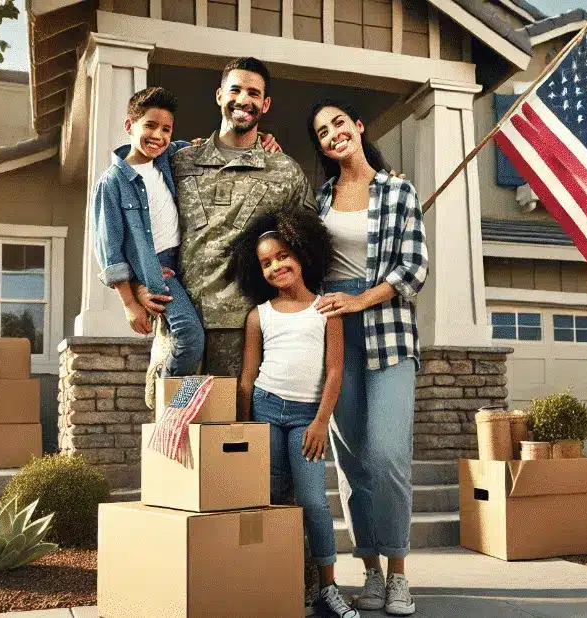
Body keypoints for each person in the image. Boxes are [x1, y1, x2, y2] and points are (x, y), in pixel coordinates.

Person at [307, 99, 428, 616]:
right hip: (334, 336)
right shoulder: (320, 200)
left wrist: (360, 297)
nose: (332, 134)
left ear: (357, 127)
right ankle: (371, 570)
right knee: (353, 462)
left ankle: (400, 572)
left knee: (387, 454)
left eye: (339, 123)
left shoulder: (399, 190)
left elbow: (414, 270)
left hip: (390, 334)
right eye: (321, 131)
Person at [137, 56, 319, 378]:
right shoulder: (179, 161)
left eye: (254, 93)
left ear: (265, 105)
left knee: (233, 426)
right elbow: (134, 220)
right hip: (179, 322)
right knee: (171, 425)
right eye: (235, 90)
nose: (244, 100)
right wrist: (135, 288)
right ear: (220, 95)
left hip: (243, 333)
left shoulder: (285, 171)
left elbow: (312, 244)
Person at [227, 209, 356, 618]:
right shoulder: (258, 316)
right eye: (266, 263)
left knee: (315, 503)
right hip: (266, 410)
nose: (276, 266)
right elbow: (248, 376)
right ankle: (280, 583)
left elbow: (335, 371)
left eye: (282, 256)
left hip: (307, 419)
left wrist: (321, 421)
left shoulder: (326, 310)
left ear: (300, 255)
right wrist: (246, 426)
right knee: (276, 501)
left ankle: (328, 587)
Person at [91, 86, 204, 377]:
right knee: (190, 337)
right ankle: (169, 402)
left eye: (166, 129)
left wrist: (266, 141)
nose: (158, 136)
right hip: (155, 270)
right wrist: (130, 302)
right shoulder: (112, 183)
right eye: (150, 125)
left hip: (186, 261)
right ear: (130, 126)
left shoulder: (168, 159)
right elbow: (110, 250)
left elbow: (198, 146)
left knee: (196, 338)